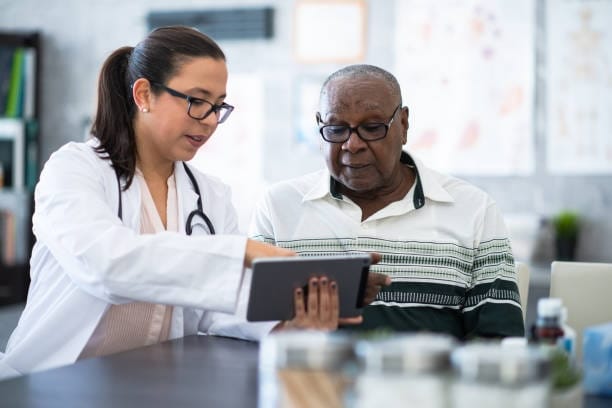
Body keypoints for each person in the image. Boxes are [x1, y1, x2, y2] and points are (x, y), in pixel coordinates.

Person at [0, 27, 383, 380]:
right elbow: (105, 266)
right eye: (197, 102)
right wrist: (241, 252)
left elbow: (216, 309)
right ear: (144, 94)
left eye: (218, 106)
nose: (211, 120)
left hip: (148, 386)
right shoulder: (75, 168)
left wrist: (291, 317)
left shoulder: (210, 194)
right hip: (49, 382)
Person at [250, 64, 525, 340]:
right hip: (308, 380)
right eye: (336, 129)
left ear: (403, 125)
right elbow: (248, 328)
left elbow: (499, 341)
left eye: (372, 128)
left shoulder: (473, 210)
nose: (352, 144)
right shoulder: (279, 207)